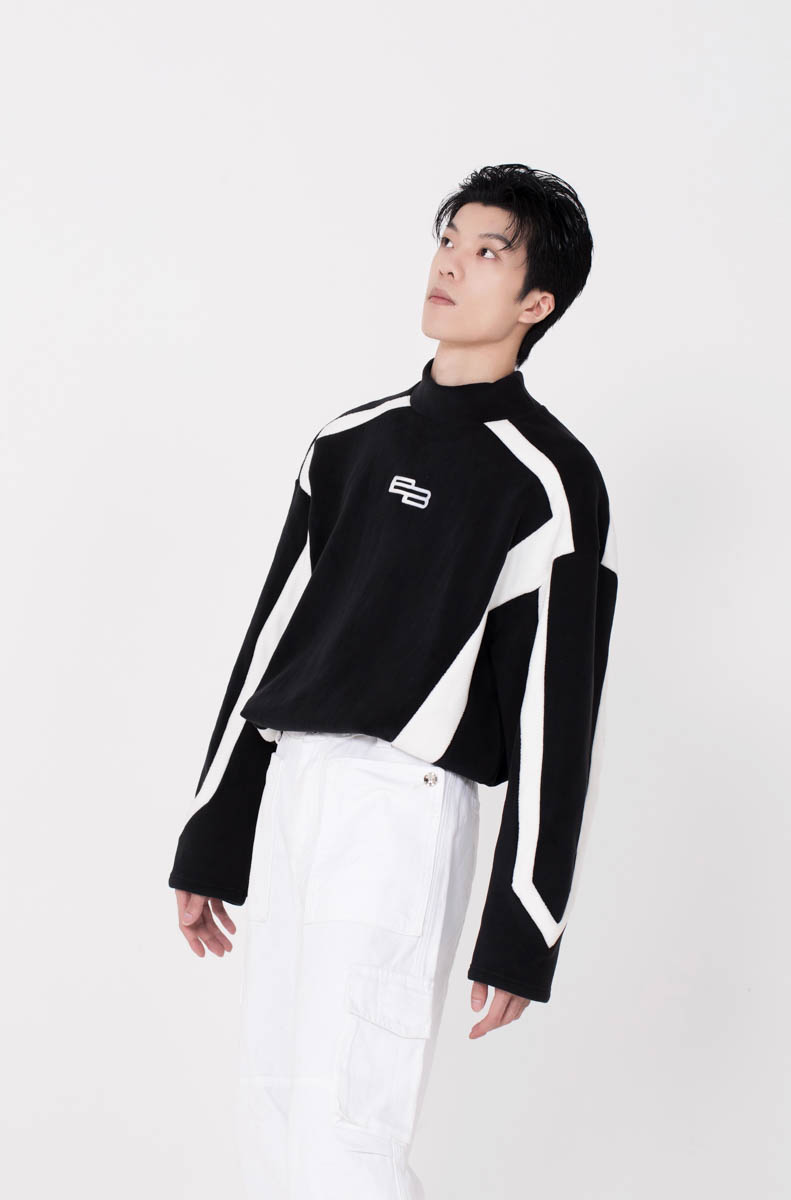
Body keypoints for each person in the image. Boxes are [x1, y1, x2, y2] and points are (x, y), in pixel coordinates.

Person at [168, 162, 619, 1198]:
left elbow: (557, 712)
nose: (451, 264)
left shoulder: (548, 479)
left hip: (400, 812)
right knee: (273, 1118)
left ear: (538, 303)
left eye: (488, 252)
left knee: (347, 1131)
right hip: (296, 793)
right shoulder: (347, 442)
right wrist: (214, 827)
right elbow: (273, 640)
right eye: (449, 240)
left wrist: (527, 919)